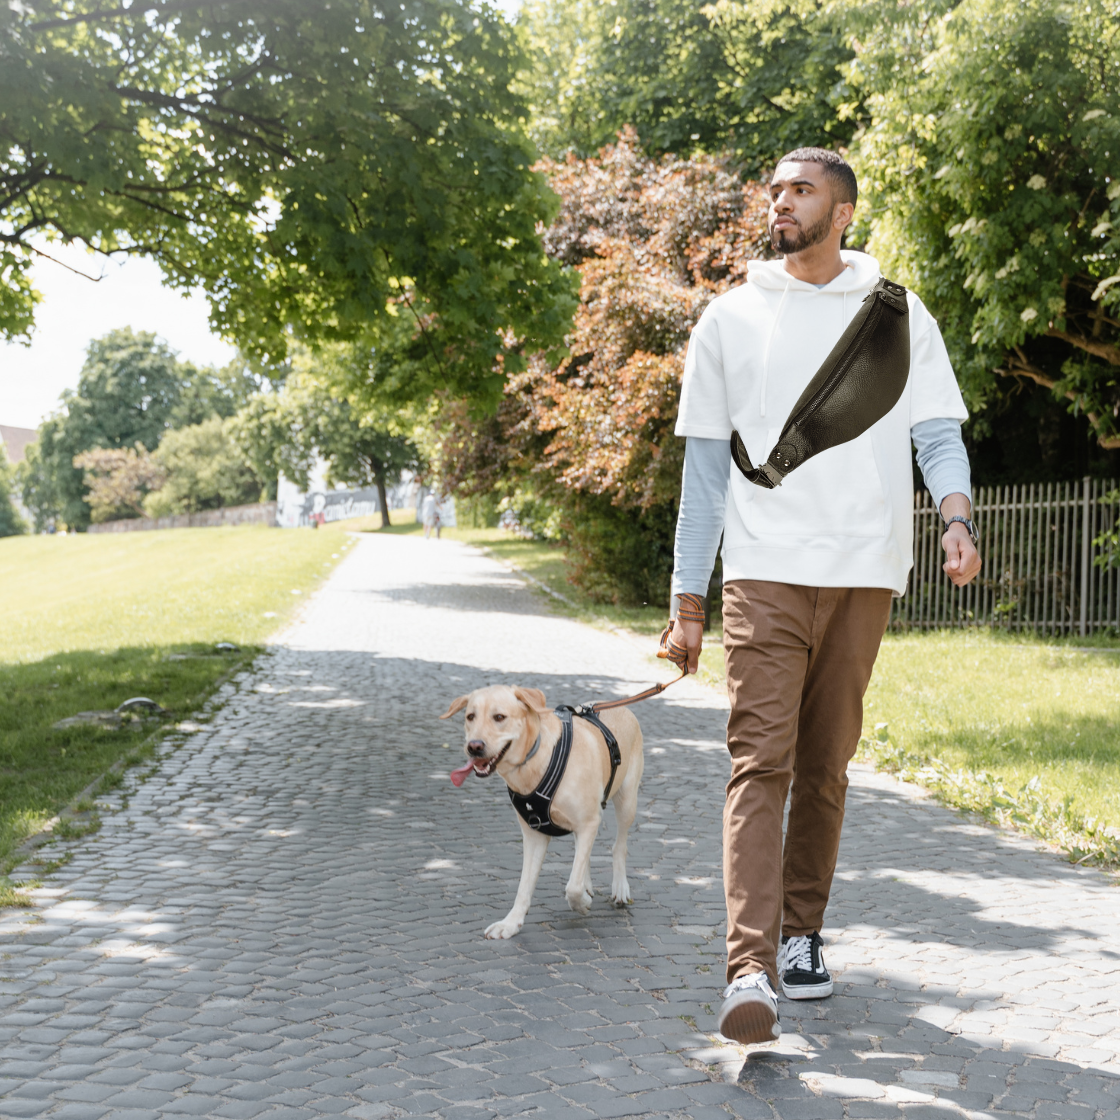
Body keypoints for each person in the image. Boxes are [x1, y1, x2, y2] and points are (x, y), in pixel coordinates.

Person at [666, 147, 982, 1045]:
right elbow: (702, 476)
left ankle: (801, 935)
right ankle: (748, 967)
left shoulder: (898, 315)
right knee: (757, 763)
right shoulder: (727, 320)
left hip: (866, 570)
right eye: (774, 191)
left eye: (800, 190)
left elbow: (937, 434)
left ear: (842, 211)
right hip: (764, 573)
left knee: (826, 767)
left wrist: (954, 518)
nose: (780, 203)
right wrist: (690, 596)